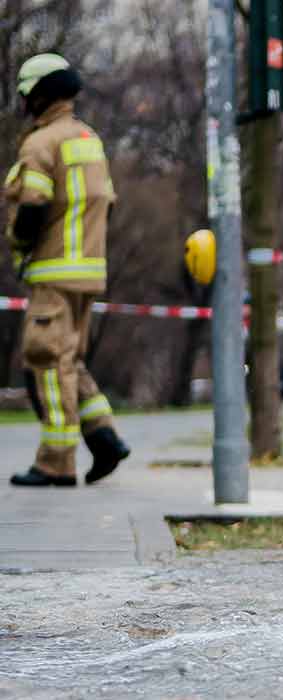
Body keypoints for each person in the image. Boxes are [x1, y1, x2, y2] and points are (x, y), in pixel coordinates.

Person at [6, 54, 130, 487]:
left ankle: (56, 462)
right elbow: (106, 206)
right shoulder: (89, 139)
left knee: (45, 361)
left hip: (54, 273)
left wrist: (20, 245)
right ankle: (105, 439)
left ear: (40, 93)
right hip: (89, 271)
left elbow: (33, 207)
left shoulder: (42, 143)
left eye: (26, 94)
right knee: (70, 360)